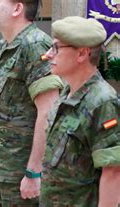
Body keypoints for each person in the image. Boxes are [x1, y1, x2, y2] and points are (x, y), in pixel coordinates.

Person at [0, 0, 64, 206]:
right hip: (1, 172)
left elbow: (48, 111)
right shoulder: (5, 46)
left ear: (17, 8)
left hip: (21, 174)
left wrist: (33, 172)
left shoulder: (35, 44)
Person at [41, 16, 120, 206]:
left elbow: (113, 171)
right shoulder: (67, 93)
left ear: (82, 54)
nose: (48, 54)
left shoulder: (101, 100)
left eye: (56, 48)